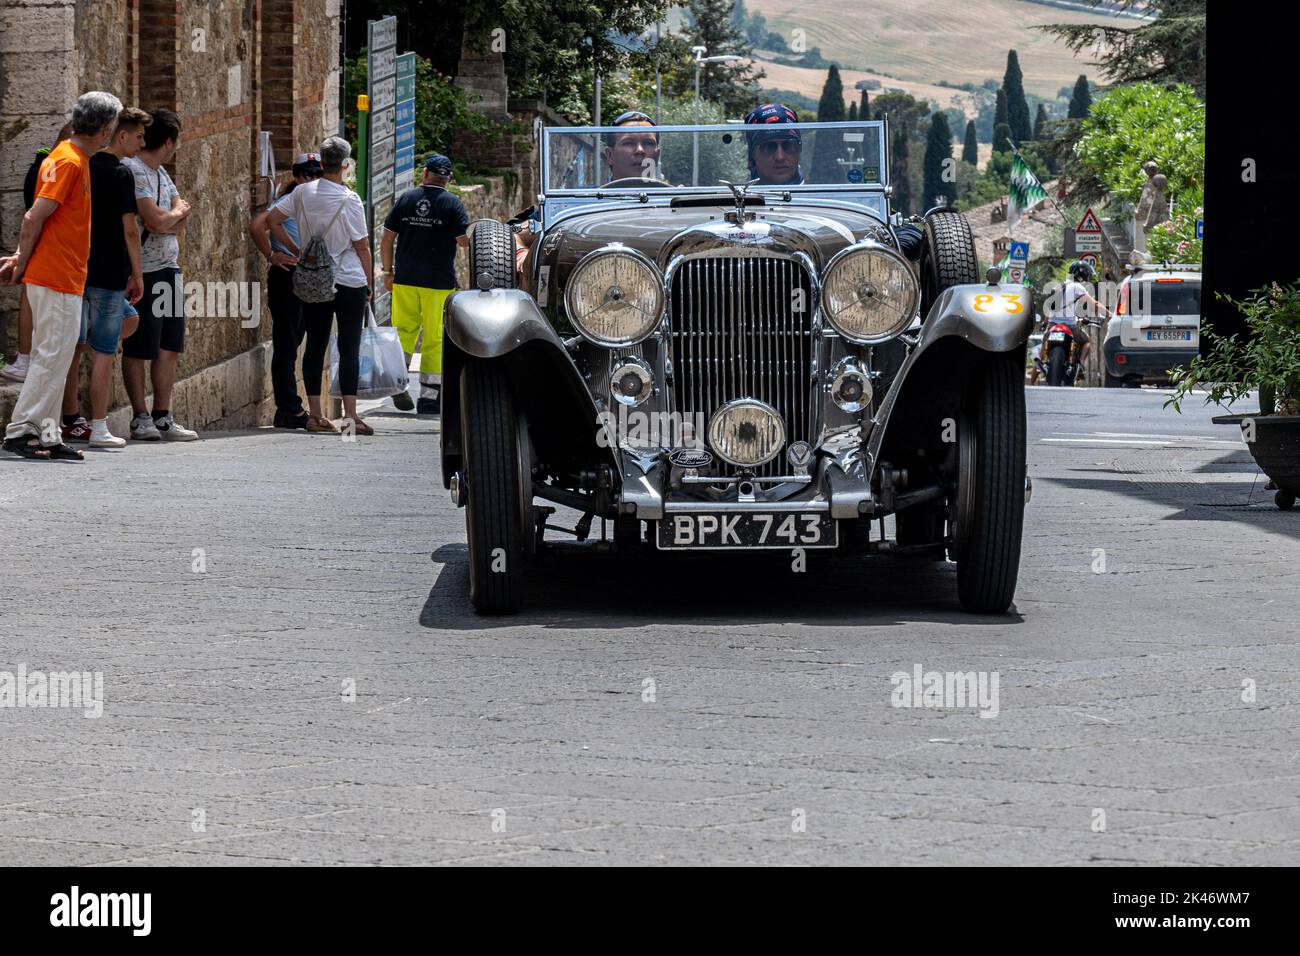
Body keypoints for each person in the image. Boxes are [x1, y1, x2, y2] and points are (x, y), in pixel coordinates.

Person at [1, 92, 122, 461]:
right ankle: (22, 431)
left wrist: (24, 257)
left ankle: (48, 434)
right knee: (52, 354)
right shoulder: (70, 162)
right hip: (55, 275)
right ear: (103, 129)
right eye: (113, 128)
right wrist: (22, 261)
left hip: (62, 274)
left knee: (55, 354)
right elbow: (33, 216)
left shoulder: (69, 157)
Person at [58, 106, 151, 449]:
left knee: (72, 348)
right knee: (103, 352)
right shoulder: (120, 173)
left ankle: (68, 417)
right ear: (121, 135)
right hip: (110, 272)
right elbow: (130, 229)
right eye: (138, 137)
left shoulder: (81, 164)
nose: (141, 145)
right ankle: (98, 426)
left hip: (77, 267)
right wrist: (137, 273)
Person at [266, 136, 373, 434]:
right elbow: (362, 246)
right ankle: (351, 418)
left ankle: (314, 415)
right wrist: (369, 282)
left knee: (315, 345)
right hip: (348, 279)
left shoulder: (302, 194)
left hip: (313, 278)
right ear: (346, 165)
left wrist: (296, 251)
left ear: (323, 162)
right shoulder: (349, 199)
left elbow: (273, 220)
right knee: (348, 347)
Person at [120, 108, 197, 440]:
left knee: (170, 345)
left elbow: (179, 219)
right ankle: (140, 417)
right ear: (169, 142)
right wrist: (173, 215)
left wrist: (172, 216)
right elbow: (156, 221)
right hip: (144, 272)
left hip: (170, 269)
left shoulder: (162, 173)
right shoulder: (134, 171)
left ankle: (162, 415)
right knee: (140, 346)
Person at [380, 153, 469, 416]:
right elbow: (465, 241)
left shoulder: (406, 199)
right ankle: (429, 399)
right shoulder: (453, 204)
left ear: (425, 174)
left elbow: (387, 239)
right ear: (449, 178)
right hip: (438, 283)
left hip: (405, 279)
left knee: (403, 332)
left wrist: (387, 271)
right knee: (434, 338)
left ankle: (397, 383)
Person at [250, 152, 323, 429]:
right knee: (287, 344)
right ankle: (289, 409)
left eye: (317, 174)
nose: (312, 179)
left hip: (306, 277)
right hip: (288, 275)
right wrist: (272, 255)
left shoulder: (309, 202)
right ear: (296, 176)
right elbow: (258, 225)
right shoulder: (287, 202)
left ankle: (290, 407)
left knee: (295, 340)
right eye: (307, 174)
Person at [2, 123, 75, 384]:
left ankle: (29, 359)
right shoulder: (50, 168)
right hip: (45, 248)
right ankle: (24, 359)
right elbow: (35, 214)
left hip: (52, 248)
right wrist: (23, 255)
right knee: (31, 296)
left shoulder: (51, 165)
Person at [1039, 260, 1110, 373]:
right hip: (1069, 325)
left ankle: (1042, 360)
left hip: (1053, 323)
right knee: (1087, 341)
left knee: (1045, 339)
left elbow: (1049, 308)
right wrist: (1109, 314)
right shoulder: (1078, 287)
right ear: (1082, 275)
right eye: (1087, 274)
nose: (1088, 278)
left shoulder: (1058, 286)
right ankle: (1081, 362)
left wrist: (1045, 322)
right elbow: (1094, 304)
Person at [744, 103, 805, 186]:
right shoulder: (738, 197)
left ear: (799, 150)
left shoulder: (822, 197)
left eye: (788, 146)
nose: (780, 157)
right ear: (752, 155)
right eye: (768, 147)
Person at [602, 111, 662, 183]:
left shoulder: (674, 194)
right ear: (610, 155)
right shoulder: (590, 194)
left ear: (657, 155)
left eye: (648, 143)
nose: (640, 150)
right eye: (628, 143)